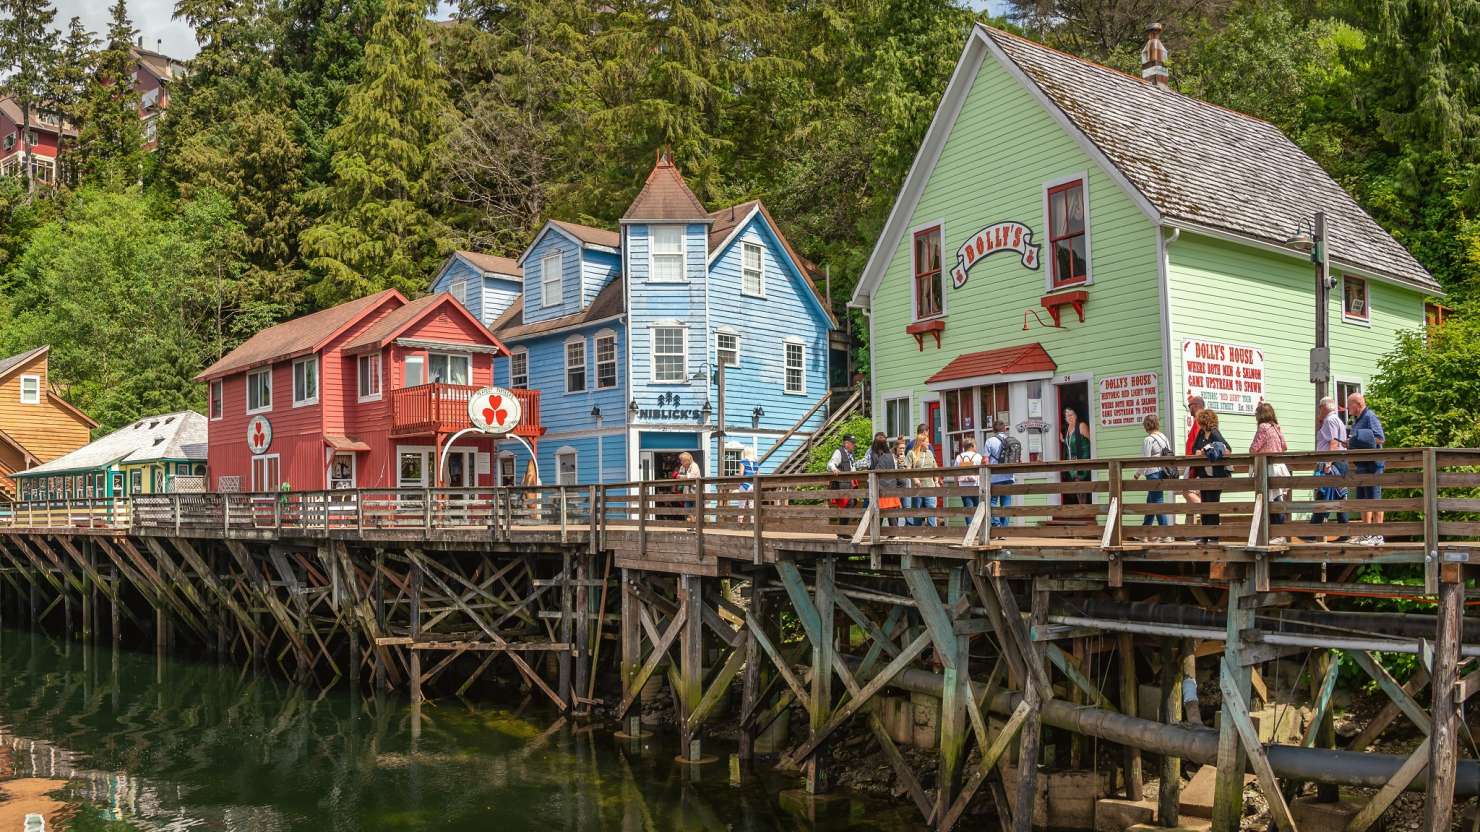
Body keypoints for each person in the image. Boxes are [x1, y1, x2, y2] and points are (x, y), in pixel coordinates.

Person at [1347, 393, 1386, 544]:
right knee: (1362, 499)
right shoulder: (1356, 420)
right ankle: (1366, 534)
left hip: (1373, 464)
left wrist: (1358, 439)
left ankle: (1378, 535)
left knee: (1375, 498)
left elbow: (1380, 438)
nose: (1348, 409)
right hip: (1362, 463)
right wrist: (1350, 442)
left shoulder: (1370, 416)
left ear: (1357, 404)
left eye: (1350, 405)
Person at [1249, 402, 1289, 540]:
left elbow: (1254, 448)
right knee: (1278, 500)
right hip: (1280, 467)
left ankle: (1274, 535)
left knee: (1270, 502)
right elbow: (1285, 446)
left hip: (1269, 468)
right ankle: (1280, 534)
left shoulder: (1263, 427)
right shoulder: (1276, 427)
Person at [1190, 408, 1231, 540]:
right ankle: (1205, 534)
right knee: (1204, 504)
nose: (1199, 425)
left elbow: (1227, 449)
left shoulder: (1214, 433)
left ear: (1205, 422)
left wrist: (1209, 450)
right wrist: (1201, 451)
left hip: (1216, 474)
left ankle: (1213, 535)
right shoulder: (1201, 434)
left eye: (1201, 422)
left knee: (1213, 504)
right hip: (1204, 474)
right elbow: (1194, 449)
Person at [1311, 396, 1349, 533]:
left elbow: (1334, 442)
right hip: (1339, 461)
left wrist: (1328, 463)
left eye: (1320, 407)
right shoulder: (1336, 420)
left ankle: (1312, 532)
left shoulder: (1330, 420)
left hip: (1332, 463)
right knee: (1339, 497)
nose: (1318, 410)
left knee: (1323, 495)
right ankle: (1345, 532)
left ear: (1324, 407)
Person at [1133, 414, 1172, 531]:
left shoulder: (1148, 440)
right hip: (1164, 472)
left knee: (1156, 503)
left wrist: (1137, 474)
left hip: (1153, 473)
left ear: (1146, 425)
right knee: (1151, 502)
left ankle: (1165, 533)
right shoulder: (1164, 438)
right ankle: (1145, 531)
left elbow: (1145, 460)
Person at [982, 420, 1015, 527]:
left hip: (995, 478)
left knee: (992, 502)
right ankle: (1004, 530)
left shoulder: (989, 441)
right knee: (1006, 504)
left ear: (993, 430)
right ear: (1005, 429)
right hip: (1009, 476)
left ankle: (996, 524)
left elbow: (985, 461)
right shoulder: (1011, 440)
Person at [1181, 396, 1206, 522]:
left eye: (1190, 406)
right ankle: (1195, 529)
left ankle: (1207, 513)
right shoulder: (1203, 419)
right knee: (1197, 493)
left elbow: (1199, 442)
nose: (1189, 409)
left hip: (1195, 462)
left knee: (1186, 491)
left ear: (1196, 406)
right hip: (1196, 462)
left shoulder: (1198, 420)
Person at [907, 430, 939, 527]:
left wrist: (936, 480)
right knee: (918, 510)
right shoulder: (911, 453)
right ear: (921, 442)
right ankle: (917, 531)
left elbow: (935, 468)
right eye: (927, 441)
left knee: (931, 508)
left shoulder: (929, 453)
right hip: (918, 488)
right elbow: (907, 468)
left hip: (930, 486)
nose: (929, 444)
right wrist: (915, 479)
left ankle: (932, 531)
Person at [869, 435, 902, 526]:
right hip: (891, 486)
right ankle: (893, 534)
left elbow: (875, 471)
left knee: (880, 513)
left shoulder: (876, 456)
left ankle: (879, 535)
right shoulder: (890, 456)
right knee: (890, 512)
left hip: (881, 488)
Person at [1062, 407, 1092, 505]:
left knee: (1081, 486)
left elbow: (1092, 442)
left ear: (1076, 415)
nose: (1069, 417)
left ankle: (1084, 508)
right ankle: (1081, 506)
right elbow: (1070, 445)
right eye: (1066, 416)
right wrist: (1063, 440)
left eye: (1071, 415)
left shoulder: (1081, 426)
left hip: (1082, 460)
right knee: (1077, 487)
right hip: (1072, 462)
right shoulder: (1067, 429)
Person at [954, 436, 983, 523]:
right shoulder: (978, 456)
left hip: (963, 486)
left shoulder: (959, 457)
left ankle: (969, 528)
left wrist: (956, 484)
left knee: (968, 508)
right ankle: (977, 528)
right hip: (976, 485)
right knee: (978, 508)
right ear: (972, 446)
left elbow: (955, 472)